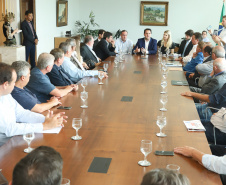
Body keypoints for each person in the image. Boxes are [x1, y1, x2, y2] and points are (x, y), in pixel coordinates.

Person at [0, 63, 66, 146]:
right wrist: (44, 126)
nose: (14, 84)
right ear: (5, 84)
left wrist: (45, 119)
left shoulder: (6, 95)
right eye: (13, 82)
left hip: (14, 140)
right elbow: (10, 129)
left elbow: (21, 113)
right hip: (4, 148)